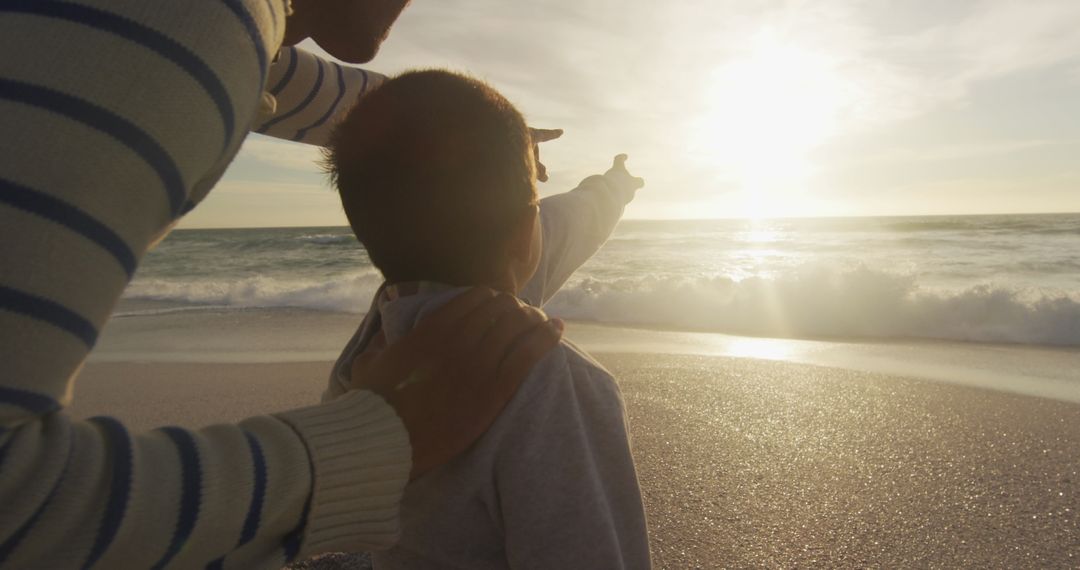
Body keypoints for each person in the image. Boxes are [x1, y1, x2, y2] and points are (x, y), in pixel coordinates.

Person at [0, 1, 564, 568]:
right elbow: (15, 512)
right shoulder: (183, 22)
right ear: (525, 229)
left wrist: (483, 132)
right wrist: (374, 442)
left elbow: (282, 78)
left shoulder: (209, 34)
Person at [323, 69, 651, 568]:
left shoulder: (371, 353)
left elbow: (561, 228)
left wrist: (610, 191)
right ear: (525, 233)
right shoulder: (549, 378)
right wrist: (613, 188)